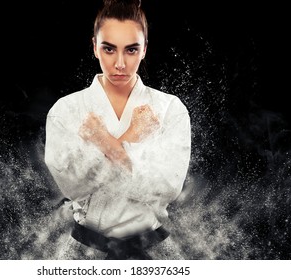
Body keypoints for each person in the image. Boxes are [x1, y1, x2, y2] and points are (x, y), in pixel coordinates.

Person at [44, 0, 191, 260]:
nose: (120, 63)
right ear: (94, 47)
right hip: (85, 248)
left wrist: (105, 141)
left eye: (131, 50)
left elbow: (168, 187)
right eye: (109, 49)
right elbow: (72, 187)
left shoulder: (169, 109)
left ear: (145, 49)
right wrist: (132, 141)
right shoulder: (66, 110)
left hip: (152, 247)